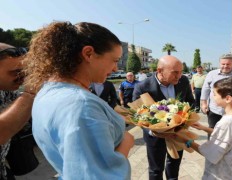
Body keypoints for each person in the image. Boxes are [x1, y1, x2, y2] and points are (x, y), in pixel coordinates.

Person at [22, 21, 134, 179]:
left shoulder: (46, 92)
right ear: (88, 53)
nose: (116, 69)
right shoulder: (82, 104)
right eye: (114, 60)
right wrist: (126, 142)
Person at [173, 77, 232, 180]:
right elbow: (228, 137)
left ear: (228, 98)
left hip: (224, 174)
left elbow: (210, 153)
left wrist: (186, 141)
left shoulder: (226, 123)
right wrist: (204, 128)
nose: (212, 97)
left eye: (214, 94)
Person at [132, 55, 195, 180]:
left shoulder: (183, 81)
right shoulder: (142, 87)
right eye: (175, 72)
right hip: (154, 137)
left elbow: (190, 102)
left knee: (174, 166)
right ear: (160, 70)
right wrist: (153, 131)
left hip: (178, 134)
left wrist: (184, 121)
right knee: (156, 170)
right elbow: (137, 114)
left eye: (181, 71)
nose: (179, 75)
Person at [0, 43, 34, 180]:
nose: (23, 78)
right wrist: (30, 93)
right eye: (15, 72)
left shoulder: (6, 89)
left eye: (25, 71)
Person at [200, 53, 232, 130]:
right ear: (219, 63)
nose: (225, 66)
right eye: (223, 64)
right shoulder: (212, 74)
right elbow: (205, 89)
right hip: (215, 111)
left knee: (230, 134)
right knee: (213, 133)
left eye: (228, 64)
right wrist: (203, 103)